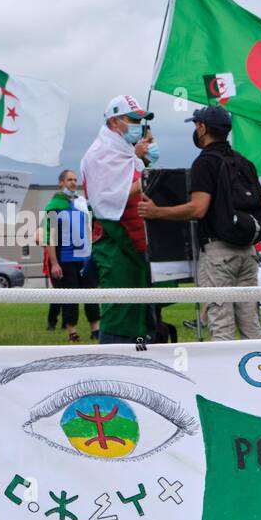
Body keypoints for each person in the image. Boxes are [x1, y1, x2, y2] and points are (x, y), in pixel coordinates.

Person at [139, 105, 261, 341]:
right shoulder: (244, 162)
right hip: (248, 252)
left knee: (221, 324)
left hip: (218, 253)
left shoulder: (204, 162)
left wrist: (157, 212)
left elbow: (198, 208)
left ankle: (225, 376)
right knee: (252, 323)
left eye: (196, 125)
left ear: (203, 128)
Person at [80, 94, 158, 344]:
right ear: (114, 122)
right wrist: (150, 178)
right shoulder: (100, 154)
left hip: (135, 241)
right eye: (133, 119)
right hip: (116, 242)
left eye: (141, 120)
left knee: (140, 306)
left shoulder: (122, 150)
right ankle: (113, 361)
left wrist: (142, 158)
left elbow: (129, 180)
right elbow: (110, 197)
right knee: (119, 309)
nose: (138, 125)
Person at [44, 169, 99, 342]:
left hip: (86, 258)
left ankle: (95, 329)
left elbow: (90, 229)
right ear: (61, 183)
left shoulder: (83, 204)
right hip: (66, 259)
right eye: (69, 179)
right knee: (70, 296)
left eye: (75, 179)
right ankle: (72, 332)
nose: (73, 183)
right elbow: (50, 237)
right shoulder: (54, 206)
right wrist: (54, 263)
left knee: (91, 295)